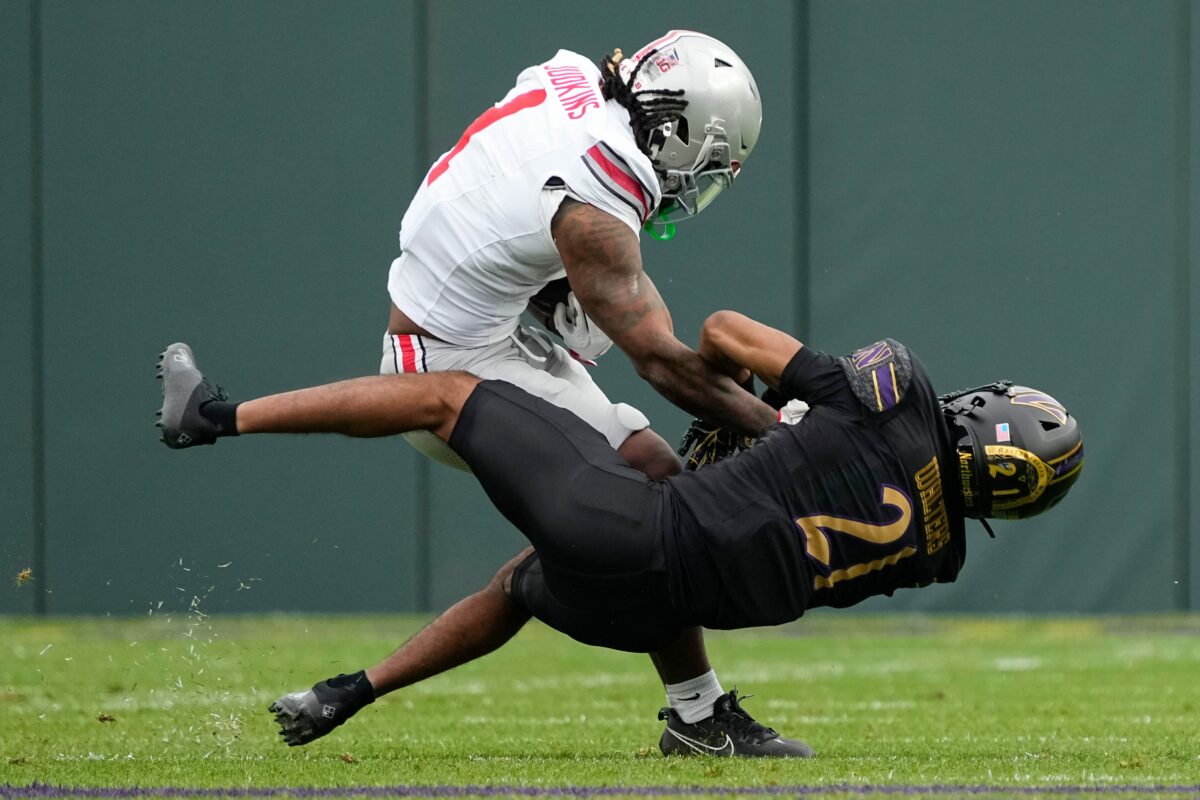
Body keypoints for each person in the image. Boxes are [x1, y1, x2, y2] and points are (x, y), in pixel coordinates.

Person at [169, 29, 803, 754]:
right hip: (453, 360)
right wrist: (781, 432)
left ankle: (693, 712)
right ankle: (698, 715)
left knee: (626, 511)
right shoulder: (604, 181)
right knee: (648, 499)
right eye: (710, 163)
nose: (700, 182)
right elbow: (657, 360)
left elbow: (500, 194)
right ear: (684, 129)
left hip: (489, 334)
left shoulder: (572, 82)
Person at [156, 310, 1084, 757]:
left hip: (632, 537)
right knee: (524, 584)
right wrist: (779, 447)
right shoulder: (937, 556)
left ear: (981, 418)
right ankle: (345, 694)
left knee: (451, 395)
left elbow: (722, 329)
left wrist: (744, 407)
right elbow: (794, 502)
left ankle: (215, 417)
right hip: (640, 605)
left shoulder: (895, 395)